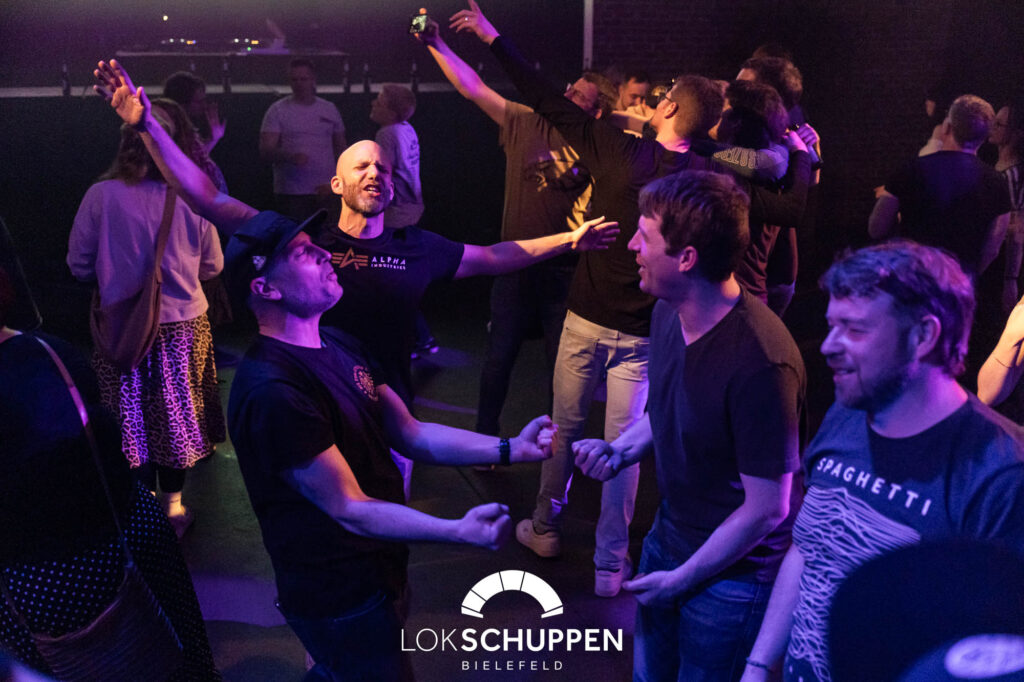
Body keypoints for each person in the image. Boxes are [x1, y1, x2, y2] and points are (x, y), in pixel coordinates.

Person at [449, 0, 811, 597]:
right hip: (646, 333)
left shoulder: (619, 151)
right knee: (623, 450)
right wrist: (801, 154)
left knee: (564, 429)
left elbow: (544, 97)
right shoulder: (711, 175)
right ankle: (609, 566)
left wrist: (491, 37)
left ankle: (545, 529)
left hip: (588, 315)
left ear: (666, 107)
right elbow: (788, 206)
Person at [742, 242, 1024, 682]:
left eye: (854, 330)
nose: (828, 346)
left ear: (923, 336)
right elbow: (809, 549)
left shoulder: (1002, 474)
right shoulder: (847, 411)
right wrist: (758, 666)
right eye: (831, 326)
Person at [573, 171, 805, 680]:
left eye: (645, 237)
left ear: (686, 258)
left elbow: (768, 508)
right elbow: (668, 409)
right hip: (670, 536)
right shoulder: (667, 312)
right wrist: (620, 450)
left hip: (734, 573)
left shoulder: (761, 362)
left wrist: (681, 579)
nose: (632, 246)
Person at [0, 266, 220, 681]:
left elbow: (79, 262)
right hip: (127, 529)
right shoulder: (53, 352)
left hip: (39, 576)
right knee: (174, 655)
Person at [417, 19, 613, 437]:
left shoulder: (597, 140)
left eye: (579, 95)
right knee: (499, 357)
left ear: (596, 111)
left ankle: (555, 446)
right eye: (569, 88)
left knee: (561, 367)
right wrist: (435, 43)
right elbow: (472, 87)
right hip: (515, 264)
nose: (567, 95)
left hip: (563, 269)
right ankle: (486, 438)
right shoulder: (526, 121)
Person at [67, 97, 225, 538]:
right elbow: (213, 265)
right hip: (183, 327)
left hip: (122, 328)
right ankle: (173, 511)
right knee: (176, 420)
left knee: (128, 421)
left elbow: (78, 265)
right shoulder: (193, 197)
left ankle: (139, 511)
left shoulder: (101, 195)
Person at [869, 94, 1012, 380]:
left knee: (903, 359)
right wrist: (965, 274)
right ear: (984, 136)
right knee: (946, 366)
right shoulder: (996, 183)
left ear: (948, 126)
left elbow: (876, 227)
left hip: (911, 282)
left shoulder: (912, 168)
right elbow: (993, 248)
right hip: (959, 289)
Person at [260, 58, 347, 221]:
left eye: (303, 79)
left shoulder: (329, 109)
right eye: (294, 80)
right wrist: (290, 157)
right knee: (295, 235)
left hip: (326, 189)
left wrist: (341, 182)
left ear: (313, 80)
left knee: (327, 234)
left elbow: (342, 149)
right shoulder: (277, 110)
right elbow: (266, 151)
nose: (299, 84)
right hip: (292, 191)